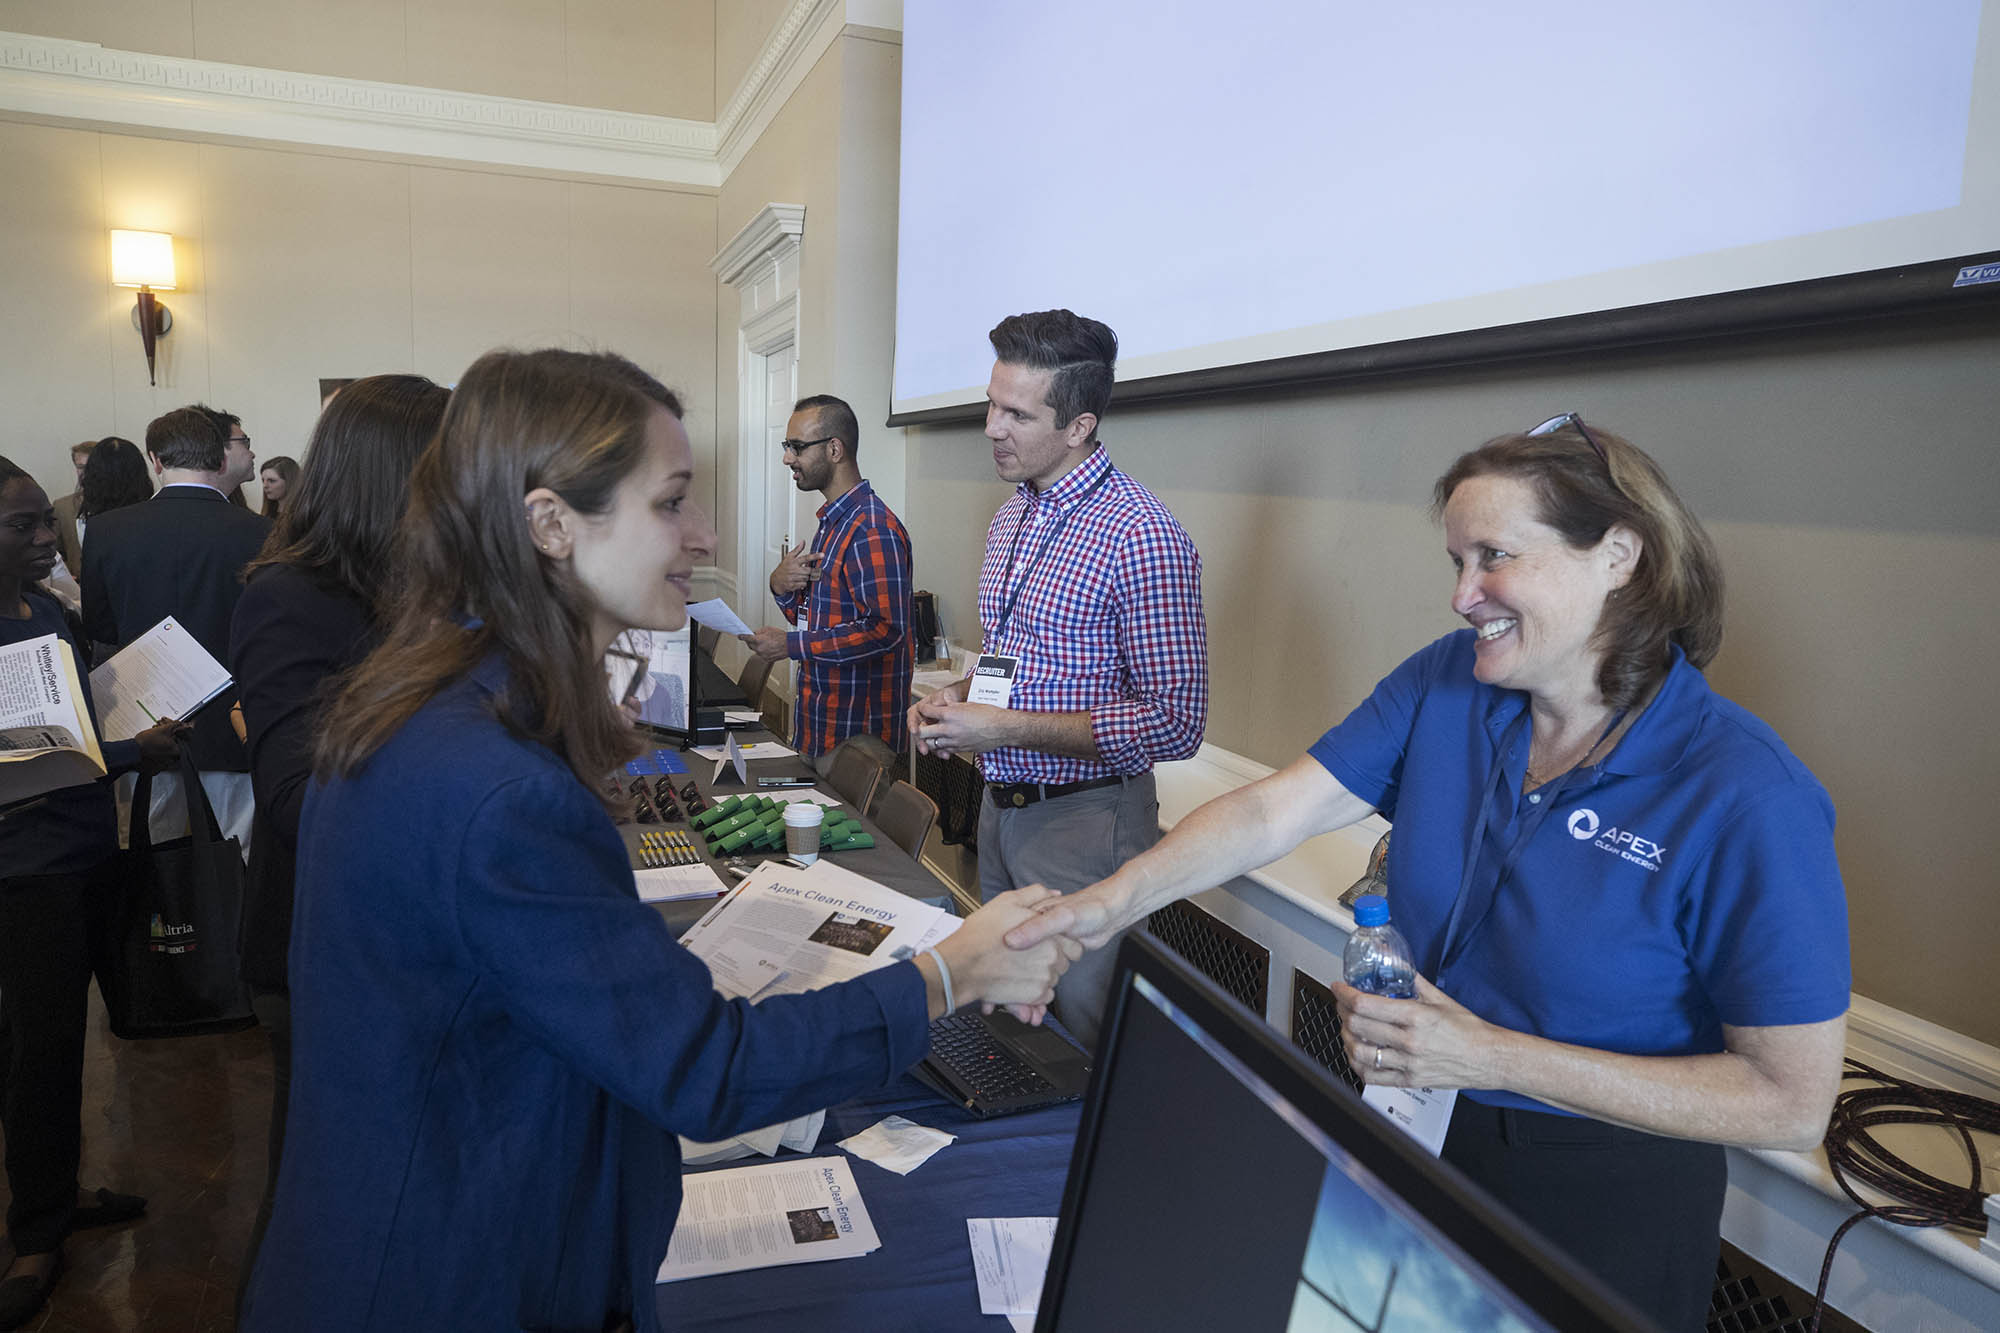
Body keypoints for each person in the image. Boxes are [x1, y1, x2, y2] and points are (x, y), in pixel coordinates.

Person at [239, 349, 1079, 1333]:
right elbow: (704, 1070)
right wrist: (950, 973)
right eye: (671, 501)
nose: (703, 532)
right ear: (551, 522)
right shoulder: (501, 789)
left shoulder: (433, 703)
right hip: (452, 1272)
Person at [1005, 416, 1850, 1326]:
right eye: (1456, 560)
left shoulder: (1747, 792)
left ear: (1618, 555)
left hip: (1598, 1197)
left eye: (1494, 557)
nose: (1462, 595)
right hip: (1416, 1125)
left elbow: (1790, 1100)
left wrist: (1487, 1054)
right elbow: (1271, 808)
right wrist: (1105, 904)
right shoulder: (1453, 680)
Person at [909, 310, 1207, 1047]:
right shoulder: (1013, 518)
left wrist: (1002, 727)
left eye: (1017, 412)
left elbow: (1177, 721)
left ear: (1078, 426)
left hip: (1087, 826)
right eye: (991, 403)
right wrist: (962, 702)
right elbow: (1018, 665)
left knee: (1079, 1044)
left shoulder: (1144, 536)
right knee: (1006, 1027)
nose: (991, 427)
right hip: (999, 812)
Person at [226, 376, 449, 1306]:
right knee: (321, 1200)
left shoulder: (422, 583)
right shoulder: (292, 594)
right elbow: (291, 792)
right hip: (321, 942)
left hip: (414, 938)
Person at [0, 457, 185, 1331]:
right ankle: (35, 1231)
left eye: (48, 522)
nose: (48, 539)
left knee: (68, 1039)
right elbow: (24, 759)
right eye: (24, 527)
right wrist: (129, 753)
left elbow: (79, 705)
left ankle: (59, 1191)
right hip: (21, 872)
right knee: (35, 1049)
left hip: (82, 851)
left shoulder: (43, 612)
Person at [81, 406, 266, 846]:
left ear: (156, 460)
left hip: (142, 730)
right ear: (220, 460)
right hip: (232, 728)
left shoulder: (107, 530)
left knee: (155, 870)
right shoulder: (262, 532)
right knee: (234, 870)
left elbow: (101, 628)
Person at [740, 393, 913, 766]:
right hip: (819, 725)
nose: (788, 458)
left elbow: (884, 631)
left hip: (856, 737)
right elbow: (818, 622)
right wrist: (780, 587)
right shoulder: (834, 523)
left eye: (797, 447)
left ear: (835, 449)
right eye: (787, 446)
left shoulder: (872, 529)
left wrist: (792, 646)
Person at [49, 441, 92, 574]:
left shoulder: (121, 504)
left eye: (90, 466)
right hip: (76, 584)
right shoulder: (62, 507)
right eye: (80, 467)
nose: (85, 472)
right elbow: (54, 552)